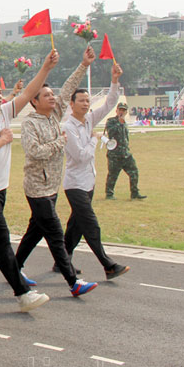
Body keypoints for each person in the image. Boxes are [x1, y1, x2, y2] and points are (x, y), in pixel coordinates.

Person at [0, 50, 59, 312]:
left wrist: (46, 68)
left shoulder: (3, 112)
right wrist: (3, 140)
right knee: (2, 241)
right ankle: (22, 293)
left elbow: (28, 93)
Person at [14, 46, 100, 297]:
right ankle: (73, 281)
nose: (53, 98)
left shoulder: (55, 114)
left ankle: (14, 267)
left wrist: (84, 65)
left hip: (52, 186)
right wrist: (59, 143)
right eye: (46, 95)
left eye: (53, 95)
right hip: (37, 188)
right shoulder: (30, 123)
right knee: (54, 233)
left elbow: (69, 86)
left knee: (35, 231)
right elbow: (34, 151)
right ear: (34, 101)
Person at [62, 64, 130, 279]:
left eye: (87, 100)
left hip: (88, 182)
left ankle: (61, 260)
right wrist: (94, 139)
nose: (85, 104)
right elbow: (81, 156)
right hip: (74, 185)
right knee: (91, 226)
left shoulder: (90, 119)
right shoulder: (67, 127)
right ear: (71, 104)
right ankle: (108, 265)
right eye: (80, 100)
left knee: (76, 225)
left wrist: (114, 80)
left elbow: (110, 103)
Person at [104, 102, 146, 200]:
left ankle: (134, 193)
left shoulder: (124, 123)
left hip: (125, 153)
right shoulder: (111, 121)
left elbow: (125, 137)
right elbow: (111, 133)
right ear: (117, 110)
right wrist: (119, 122)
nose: (121, 112)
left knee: (134, 172)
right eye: (120, 110)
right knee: (113, 174)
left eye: (124, 110)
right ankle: (109, 194)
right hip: (115, 154)